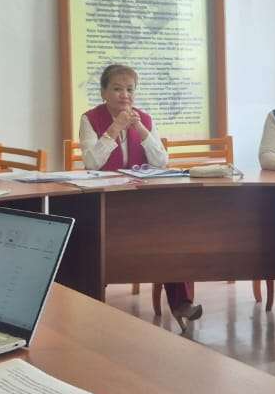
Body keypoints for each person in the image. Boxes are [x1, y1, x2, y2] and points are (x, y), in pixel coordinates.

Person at [79, 64, 201, 327]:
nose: (125, 95)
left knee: (173, 233)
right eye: (117, 89)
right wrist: (114, 128)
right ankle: (92, 304)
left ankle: (182, 303)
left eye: (130, 89)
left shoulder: (144, 118)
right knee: (93, 241)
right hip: (106, 201)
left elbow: (161, 161)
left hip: (142, 201)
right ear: (103, 92)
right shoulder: (90, 119)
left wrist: (141, 130)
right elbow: (91, 163)